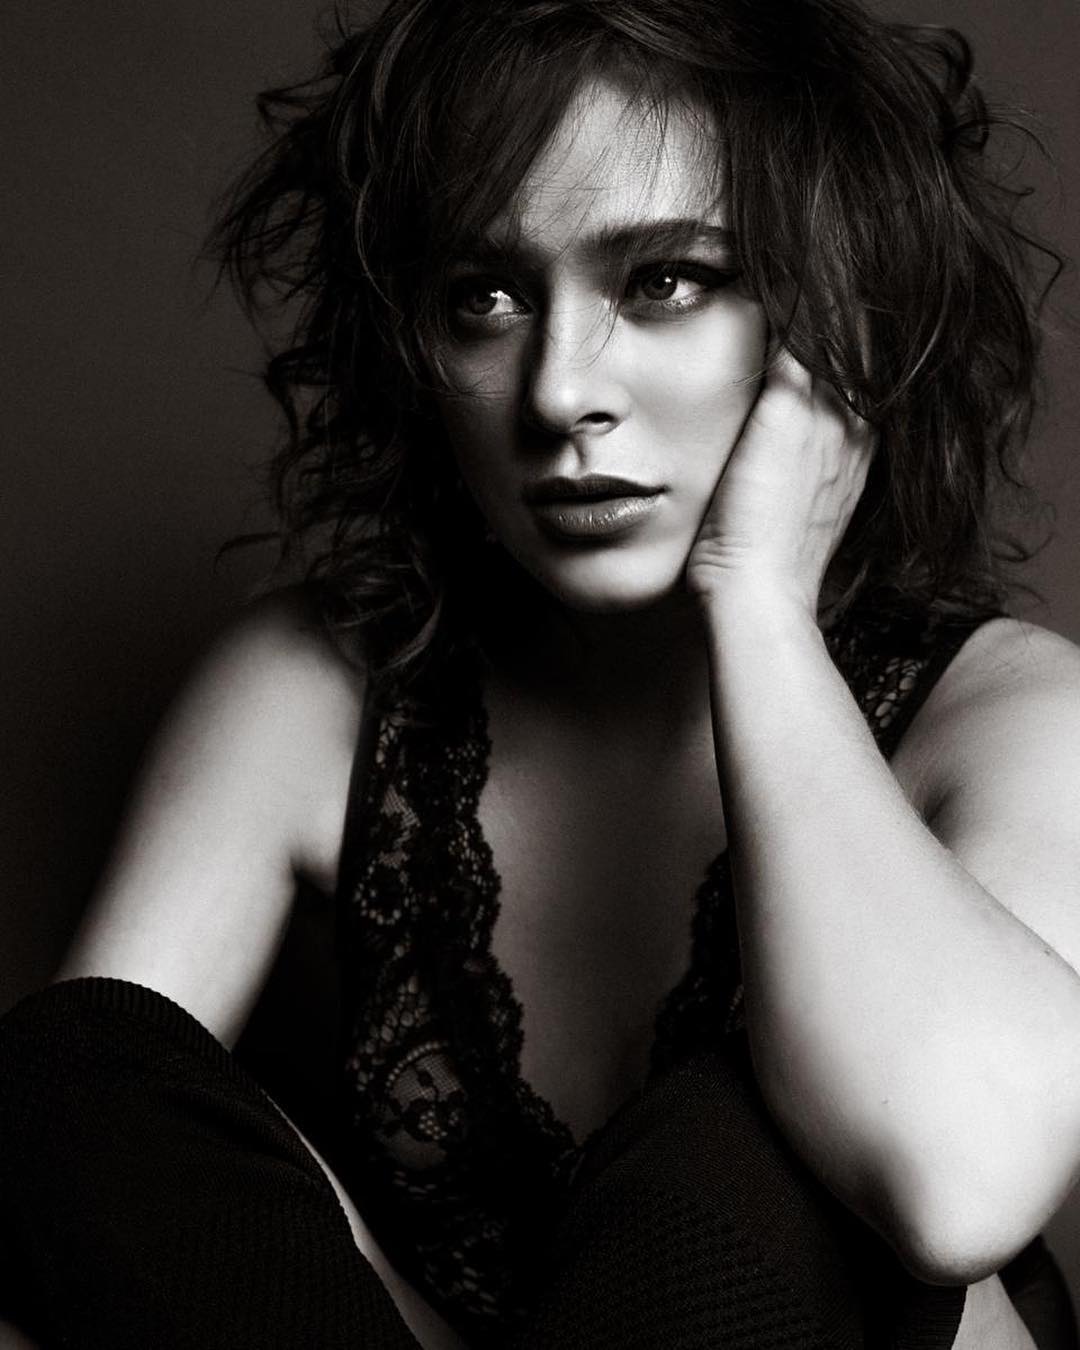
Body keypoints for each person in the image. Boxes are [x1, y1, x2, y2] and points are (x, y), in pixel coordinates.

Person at [1, 0, 1079, 1346]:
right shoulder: (314, 688)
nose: (561, 391)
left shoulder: (1011, 712)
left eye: (665, 280)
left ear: (835, 324)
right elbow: (79, 1167)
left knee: (757, 1136)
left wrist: (757, 601)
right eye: (488, 297)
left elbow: (957, 1187)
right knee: (64, 1063)